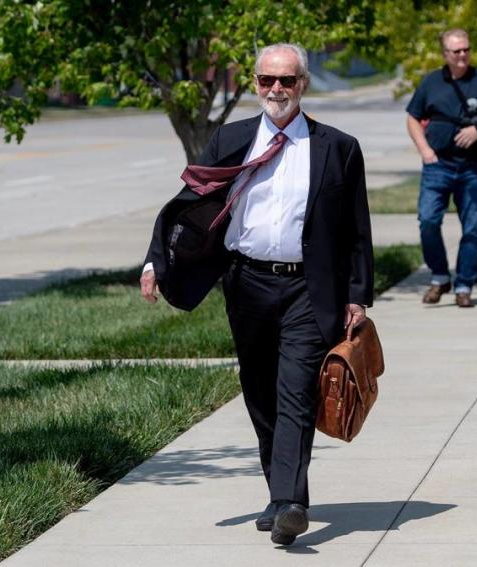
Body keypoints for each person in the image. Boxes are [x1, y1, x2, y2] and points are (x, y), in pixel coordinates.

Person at [140, 43, 374, 546]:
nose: (276, 90)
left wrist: (358, 294)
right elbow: (191, 205)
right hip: (247, 283)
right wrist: (157, 260)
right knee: (260, 391)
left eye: (286, 81)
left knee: (294, 390)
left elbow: (357, 226)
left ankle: (291, 502)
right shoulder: (232, 139)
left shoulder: (338, 147)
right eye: (268, 80)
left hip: (309, 289)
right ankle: (279, 493)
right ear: (254, 83)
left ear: (303, 85)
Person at [406, 28, 477, 308]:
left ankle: (464, 285)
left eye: (466, 49)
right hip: (437, 164)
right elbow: (413, 117)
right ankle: (440, 277)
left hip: (472, 167)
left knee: (474, 226)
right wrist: (425, 150)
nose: (463, 55)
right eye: (456, 51)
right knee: (427, 220)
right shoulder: (431, 82)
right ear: (445, 54)